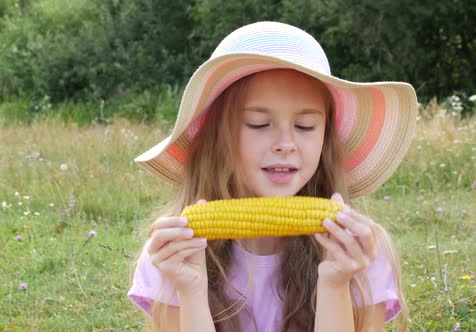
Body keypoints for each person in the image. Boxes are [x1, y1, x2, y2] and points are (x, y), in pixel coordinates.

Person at [128, 21, 417, 332]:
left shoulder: (359, 250)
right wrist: (191, 291)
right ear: (217, 138)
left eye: (305, 126)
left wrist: (335, 283)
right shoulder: (172, 253)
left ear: (326, 139)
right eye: (258, 123)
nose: (285, 144)